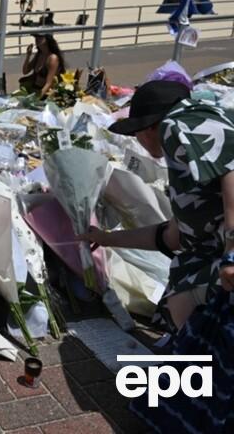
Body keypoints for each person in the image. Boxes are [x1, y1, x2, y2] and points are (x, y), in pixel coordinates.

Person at [81, 80, 234, 332]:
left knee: (184, 301)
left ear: (150, 127)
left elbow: (231, 165)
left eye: (135, 132)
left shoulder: (176, 124)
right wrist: (107, 239)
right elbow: (170, 236)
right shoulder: (188, 162)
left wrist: (231, 251)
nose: (137, 140)